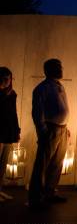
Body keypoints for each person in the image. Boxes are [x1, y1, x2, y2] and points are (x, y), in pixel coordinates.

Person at [28, 59, 70, 208]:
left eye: (60, 66)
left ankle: (50, 192)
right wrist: (43, 131)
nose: (61, 69)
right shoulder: (42, 88)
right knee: (42, 164)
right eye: (57, 67)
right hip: (51, 129)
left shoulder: (60, 86)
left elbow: (61, 108)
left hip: (62, 129)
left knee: (57, 163)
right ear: (48, 70)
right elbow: (37, 113)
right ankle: (35, 197)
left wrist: (66, 127)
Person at [0, 67, 20, 202]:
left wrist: (17, 130)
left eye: (9, 78)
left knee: (3, 162)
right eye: (5, 78)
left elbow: (14, 113)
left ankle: (0, 189)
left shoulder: (12, 94)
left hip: (7, 131)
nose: (7, 81)